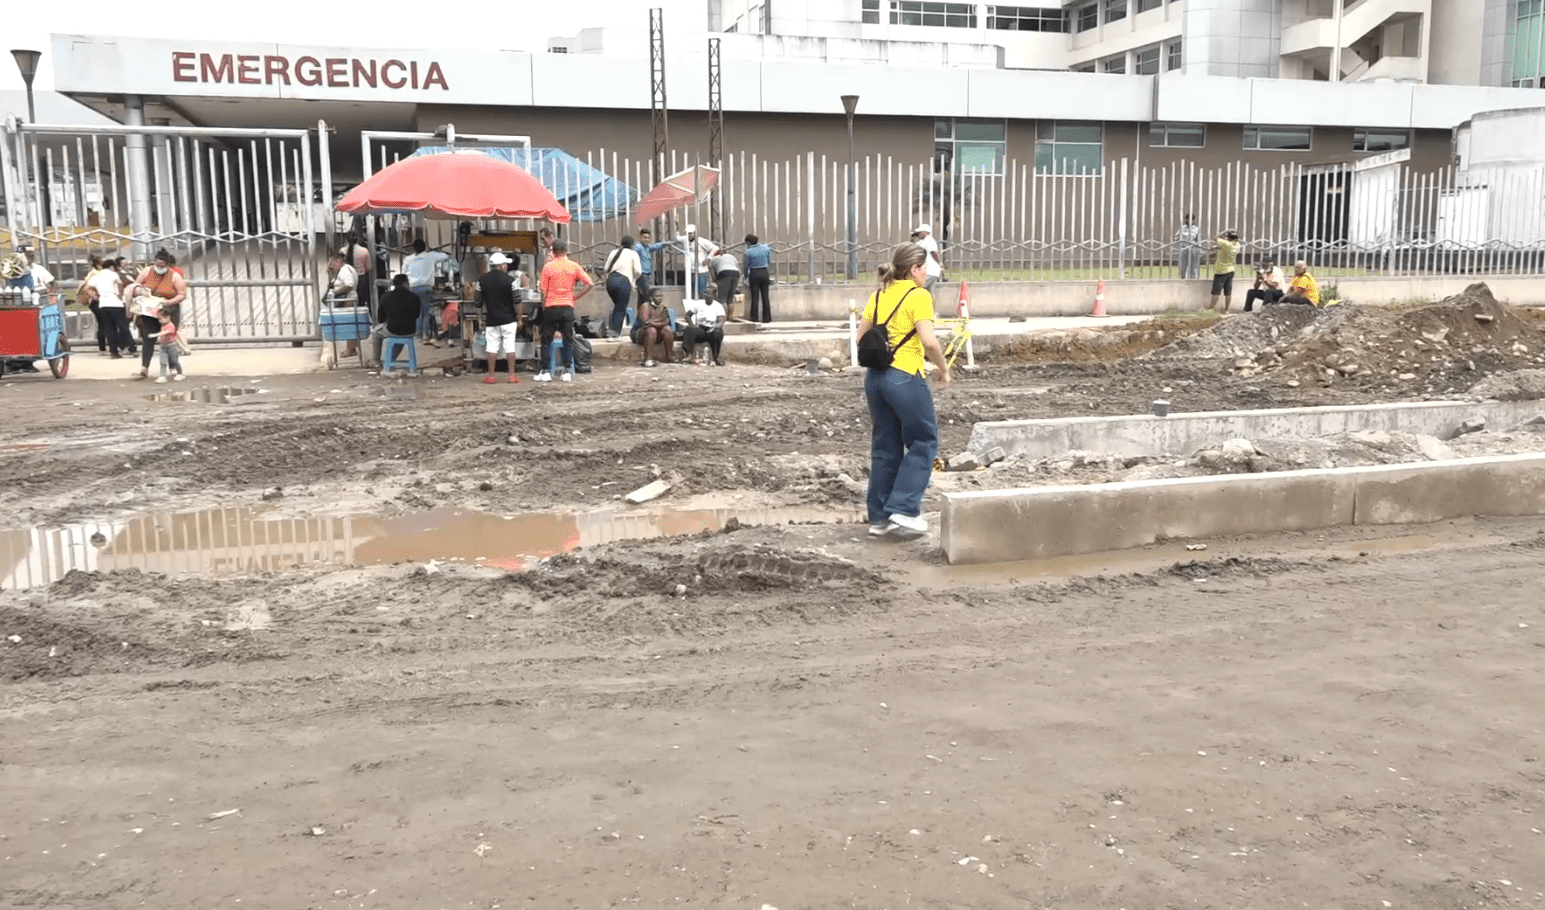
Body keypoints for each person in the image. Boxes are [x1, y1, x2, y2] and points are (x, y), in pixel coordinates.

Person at [857, 242, 951, 542]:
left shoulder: (879, 294)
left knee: (886, 446)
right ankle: (905, 509)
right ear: (914, 269)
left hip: (875, 378)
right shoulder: (919, 296)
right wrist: (943, 369)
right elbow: (930, 341)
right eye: (925, 268)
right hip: (905, 376)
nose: (926, 274)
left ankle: (880, 518)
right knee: (923, 440)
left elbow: (861, 336)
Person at [535, 238, 593, 383]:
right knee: (568, 339)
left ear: (553, 252)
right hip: (567, 307)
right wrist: (575, 296)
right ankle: (566, 371)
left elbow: (543, 291)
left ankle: (545, 371)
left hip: (551, 307)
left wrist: (544, 306)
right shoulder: (573, 266)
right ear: (566, 251)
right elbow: (589, 283)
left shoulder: (548, 267)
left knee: (546, 340)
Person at [479, 253, 521, 384]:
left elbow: (478, 303)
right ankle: (512, 375)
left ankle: (491, 376)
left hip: (491, 320)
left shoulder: (482, 280)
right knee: (510, 347)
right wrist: (520, 318)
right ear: (502, 266)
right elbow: (518, 301)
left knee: (492, 348)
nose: (506, 266)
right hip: (509, 319)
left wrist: (480, 319)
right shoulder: (511, 280)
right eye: (505, 264)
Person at [368, 274, 423, 371]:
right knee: (401, 337)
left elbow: (381, 318)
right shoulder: (415, 297)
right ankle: (390, 359)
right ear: (406, 283)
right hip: (410, 330)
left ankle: (376, 361)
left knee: (375, 334)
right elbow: (416, 315)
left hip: (392, 329)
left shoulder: (386, 296)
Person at [403, 239, 450, 343]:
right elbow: (445, 256)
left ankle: (418, 335)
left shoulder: (408, 259)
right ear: (425, 247)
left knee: (416, 313)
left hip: (412, 289)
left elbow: (403, 273)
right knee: (426, 313)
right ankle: (425, 335)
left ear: (413, 248)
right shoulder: (431, 256)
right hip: (426, 288)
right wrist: (434, 251)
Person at [87, 255, 132, 358]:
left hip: (103, 304)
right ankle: (129, 347)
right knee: (123, 326)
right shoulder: (113, 274)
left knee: (109, 329)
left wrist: (94, 296)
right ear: (112, 266)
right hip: (115, 303)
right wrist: (120, 295)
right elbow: (120, 283)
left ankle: (113, 352)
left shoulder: (97, 276)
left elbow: (87, 287)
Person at [600, 235, 643, 338]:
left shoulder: (613, 252)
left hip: (610, 281)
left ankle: (612, 330)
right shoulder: (633, 254)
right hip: (623, 282)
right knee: (620, 308)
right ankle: (614, 334)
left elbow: (606, 268)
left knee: (617, 306)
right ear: (632, 245)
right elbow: (638, 271)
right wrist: (634, 280)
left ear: (621, 244)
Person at [632, 290, 676, 367]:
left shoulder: (663, 307)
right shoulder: (645, 306)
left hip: (656, 334)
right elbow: (645, 324)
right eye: (657, 296)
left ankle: (670, 356)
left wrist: (653, 322)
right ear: (651, 297)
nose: (659, 298)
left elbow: (666, 322)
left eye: (660, 296)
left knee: (668, 330)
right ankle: (648, 359)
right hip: (639, 334)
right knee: (651, 330)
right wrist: (660, 320)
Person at [678, 224, 719, 299]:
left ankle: (703, 305)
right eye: (687, 233)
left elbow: (716, 249)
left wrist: (708, 258)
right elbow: (676, 238)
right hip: (690, 272)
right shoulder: (685, 240)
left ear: (695, 233)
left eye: (690, 233)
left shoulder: (702, 241)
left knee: (702, 293)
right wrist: (676, 225)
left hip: (701, 272)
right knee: (691, 294)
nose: (689, 235)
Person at [78, 255, 109, 353]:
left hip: (96, 302)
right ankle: (103, 347)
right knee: (103, 324)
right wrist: (95, 296)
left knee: (102, 324)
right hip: (97, 301)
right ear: (99, 265)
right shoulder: (95, 274)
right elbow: (88, 287)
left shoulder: (94, 273)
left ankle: (103, 347)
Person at [683, 294, 725, 366]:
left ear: (714, 296)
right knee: (689, 329)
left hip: (712, 330)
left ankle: (715, 358)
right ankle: (689, 355)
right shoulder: (699, 304)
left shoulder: (718, 306)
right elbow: (687, 315)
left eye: (709, 294)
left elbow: (721, 322)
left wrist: (714, 327)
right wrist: (692, 325)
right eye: (705, 294)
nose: (706, 296)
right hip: (701, 329)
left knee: (718, 333)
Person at [743, 233, 772, 323]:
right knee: (765, 296)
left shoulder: (748, 252)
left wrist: (746, 276)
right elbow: (769, 261)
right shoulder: (766, 248)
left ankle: (754, 318)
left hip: (754, 272)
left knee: (755, 297)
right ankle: (767, 318)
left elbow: (746, 266)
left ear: (748, 242)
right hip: (764, 272)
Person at [635, 228, 669, 304]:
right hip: (642, 274)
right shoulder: (638, 247)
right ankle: (647, 310)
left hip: (646, 274)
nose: (647, 240)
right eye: (645, 237)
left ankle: (641, 311)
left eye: (648, 238)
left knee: (642, 297)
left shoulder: (646, 247)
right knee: (646, 295)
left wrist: (664, 243)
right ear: (640, 237)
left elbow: (654, 246)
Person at [1209, 230, 1240, 313]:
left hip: (1221, 271)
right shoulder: (1237, 245)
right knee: (1228, 292)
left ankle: (1211, 308)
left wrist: (1224, 232)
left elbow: (1214, 238)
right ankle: (1227, 310)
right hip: (1231, 270)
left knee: (1216, 292)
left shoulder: (1226, 244)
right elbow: (1222, 248)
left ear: (1228, 238)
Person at [151, 309, 185, 383]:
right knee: (162, 361)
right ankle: (162, 376)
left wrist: (157, 334)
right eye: (159, 318)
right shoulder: (163, 325)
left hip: (171, 346)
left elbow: (167, 332)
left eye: (161, 318)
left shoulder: (171, 325)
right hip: (163, 346)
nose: (160, 320)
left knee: (174, 361)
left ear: (168, 317)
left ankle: (180, 373)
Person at [341, 232, 373, 310]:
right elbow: (369, 267)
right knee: (361, 304)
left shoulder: (342, 251)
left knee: (348, 304)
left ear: (346, 240)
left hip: (347, 279)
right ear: (357, 239)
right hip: (361, 280)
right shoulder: (364, 251)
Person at [912, 223, 943, 292]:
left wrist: (939, 263)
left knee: (919, 289)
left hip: (930, 271)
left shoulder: (929, 240)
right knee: (928, 292)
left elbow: (934, 253)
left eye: (920, 232)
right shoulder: (923, 241)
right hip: (930, 272)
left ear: (925, 232)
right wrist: (913, 237)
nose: (918, 234)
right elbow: (913, 246)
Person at [711, 248, 741, 320]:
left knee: (722, 299)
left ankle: (723, 319)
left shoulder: (713, 260)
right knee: (730, 299)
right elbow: (739, 270)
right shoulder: (731, 256)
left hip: (724, 274)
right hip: (736, 274)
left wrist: (718, 282)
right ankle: (729, 318)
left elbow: (713, 276)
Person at [1176, 214, 1202, 280]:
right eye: (1187, 219)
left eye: (1190, 219)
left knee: (1193, 266)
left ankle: (1193, 279)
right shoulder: (1182, 228)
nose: (1188, 220)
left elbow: (1199, 241)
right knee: (1183, 266)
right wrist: (1181, 240)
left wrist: (1200, 250)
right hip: (1184, 248)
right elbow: (1176, 238)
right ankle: (1182, 278)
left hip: (1193, 249)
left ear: (1193, 220)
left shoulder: (1196, 229)